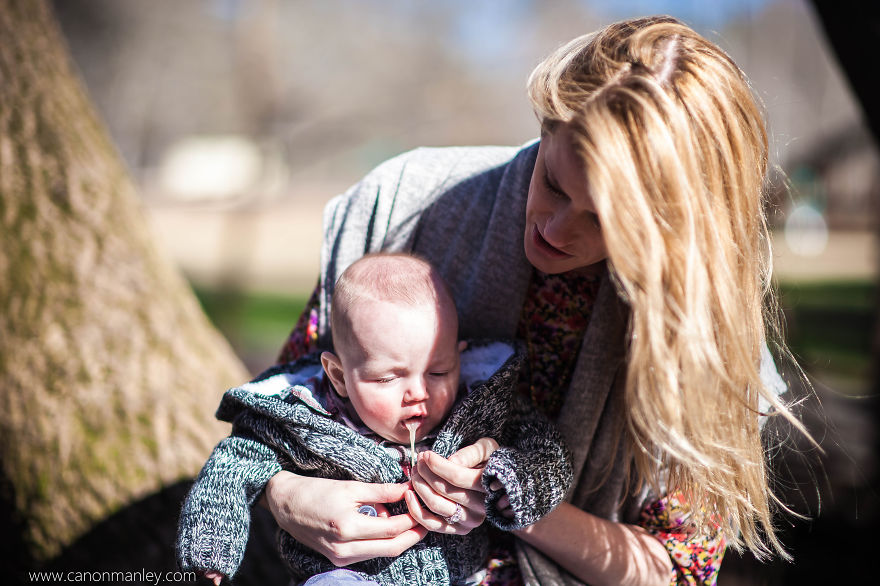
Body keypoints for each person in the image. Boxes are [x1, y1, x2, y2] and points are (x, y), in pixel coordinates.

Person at [263, 15, 810, 586]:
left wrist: (521, 501)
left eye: (603, 222)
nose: (553, 228)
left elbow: (677, 570)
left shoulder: (703, 333)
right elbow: (277, 411)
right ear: (548, 124)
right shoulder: (405, 207)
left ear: (673, 232)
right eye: (552, 181)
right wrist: (289, 496)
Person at [176, 253, 573, 585]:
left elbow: (547, 451)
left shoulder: (480, 406)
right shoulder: (304, 421)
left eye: (438, 372)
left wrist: (512, 481)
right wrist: (210, 553)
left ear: (460, 356)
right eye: (387, 377)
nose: (418, 392)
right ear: (338, 376)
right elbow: (232, 463)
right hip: (348, 575)